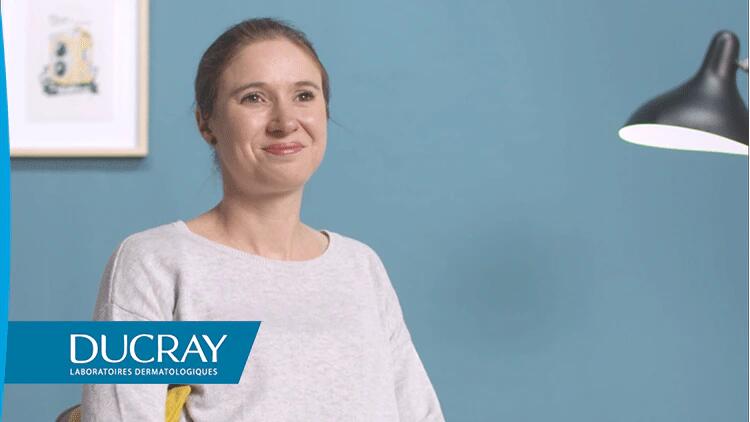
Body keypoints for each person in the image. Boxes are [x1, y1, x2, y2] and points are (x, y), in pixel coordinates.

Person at [81, 17, 445, 421]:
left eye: (304, 95)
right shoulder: (154, 263)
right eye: (254, 98)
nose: (285, 122)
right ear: (206, 123)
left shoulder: (361, 267)